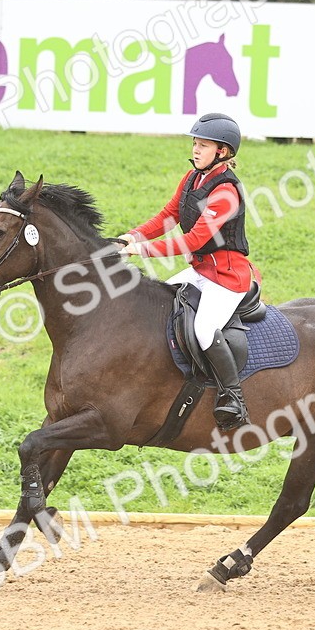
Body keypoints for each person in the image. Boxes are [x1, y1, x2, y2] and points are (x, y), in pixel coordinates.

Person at [118, 113, 257, 432]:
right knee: (155, 304)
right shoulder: (192, 178)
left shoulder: (226, 193)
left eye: (203, 145)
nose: (195, 149)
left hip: (227, 278)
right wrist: (133, 235)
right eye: (195, 142)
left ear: (222, 152)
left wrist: (142, 250)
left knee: (205, 329)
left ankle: (232, 398)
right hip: (200, 270)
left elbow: (195, 239)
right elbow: (168, 216)